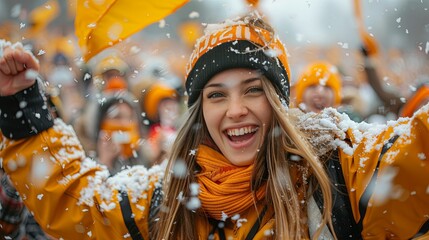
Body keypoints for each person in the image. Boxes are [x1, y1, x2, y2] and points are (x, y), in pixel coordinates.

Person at [0, 13, 429, 240]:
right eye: (217, 95)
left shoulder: (338, 172)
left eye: (253, 90)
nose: (236, 109)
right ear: (199, 110)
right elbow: (80, 204)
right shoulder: (167, 200)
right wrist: (23, 110)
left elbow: (419, 157)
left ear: (278, 102)